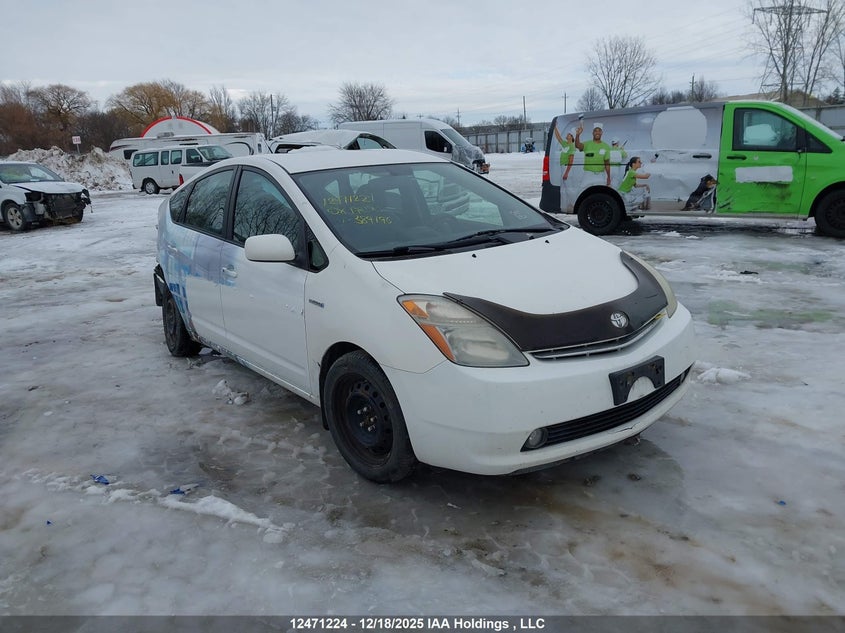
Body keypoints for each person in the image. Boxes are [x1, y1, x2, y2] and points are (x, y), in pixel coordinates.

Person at [574, 122, 612, 187]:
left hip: (600, 175)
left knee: (599, 194)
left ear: (601, 133)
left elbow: (607, 163)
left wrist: (608, 177)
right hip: (588, 174)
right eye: (595, 131)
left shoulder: (606, 146)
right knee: (583, 192)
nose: (597, 132)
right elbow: (577, 146)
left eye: (599, 131)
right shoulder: (587, 144)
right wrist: (577, 135)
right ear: (592, 133)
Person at [559, 128, 578, 212]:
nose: (566, 135)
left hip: (567, 169)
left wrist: (566, 173)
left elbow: (571, 161)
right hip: (563, 167)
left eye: (568, 134)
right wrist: (555, 127)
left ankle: (575, 204)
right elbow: (558, 137)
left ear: (571, 137)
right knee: (564, 189)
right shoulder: (565, 144)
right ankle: (566, 206)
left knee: (569, 188)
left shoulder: (572, 146)